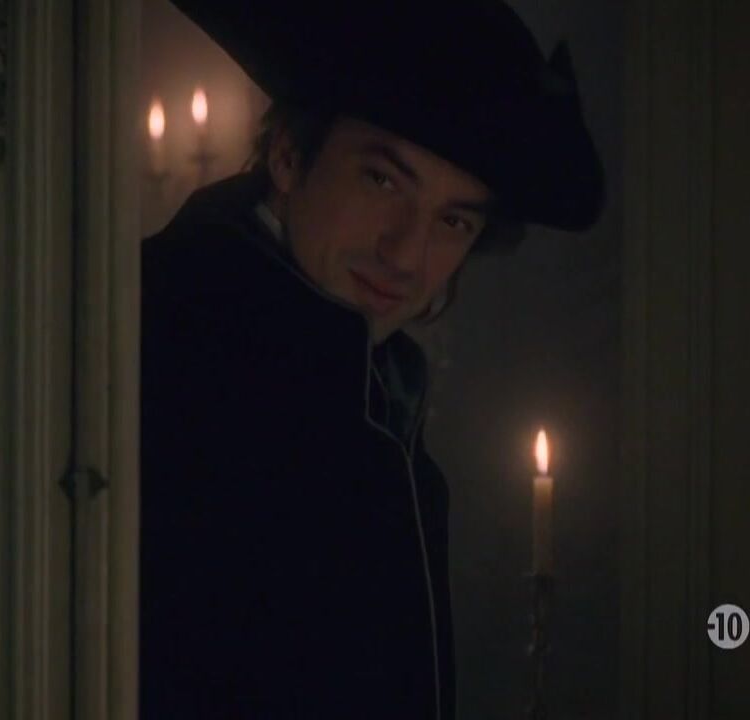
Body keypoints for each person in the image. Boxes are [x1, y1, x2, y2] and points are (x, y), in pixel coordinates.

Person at [139, 1, 604, 717]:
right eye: (382, 181)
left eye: (453, 220)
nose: (406, 253)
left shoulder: (373, 391)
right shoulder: (179, 356)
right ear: (288, 154)